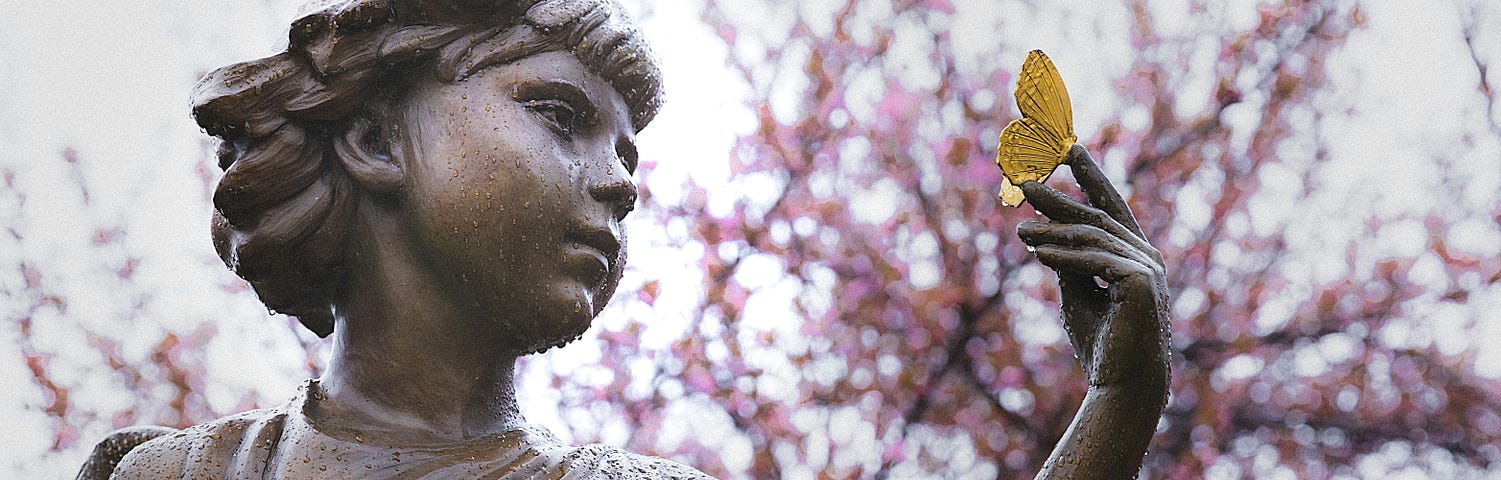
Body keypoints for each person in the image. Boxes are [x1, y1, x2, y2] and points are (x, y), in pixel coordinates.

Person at [80, 0, 1171, 478]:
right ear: (373, 135)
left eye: (632, 156)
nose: (616, 186)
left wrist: (1118, 405)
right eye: (559, 116)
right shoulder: (174, 477)